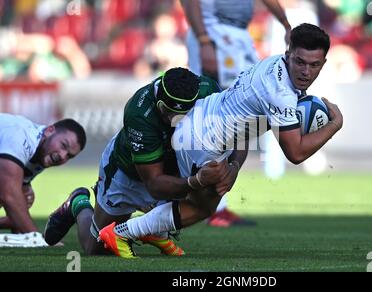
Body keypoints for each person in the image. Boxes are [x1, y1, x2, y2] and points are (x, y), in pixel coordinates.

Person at [98, 23, 344, 258]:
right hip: (203, 142)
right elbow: (296, 153)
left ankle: (155, 231)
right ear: (288, 54)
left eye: (314, 65)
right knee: (201, 207)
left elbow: (248, 122)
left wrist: (235, 166)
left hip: (203, 117)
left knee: (191, 200)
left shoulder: (272, 64)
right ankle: (123, 233)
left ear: (323, 63)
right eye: (300, 62)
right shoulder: (280, 93)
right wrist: (334, 126)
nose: (306, 71)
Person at [43, 67, 236, 257]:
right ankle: (79, 204)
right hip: (129, 173)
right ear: (157, 99)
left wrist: (233, 167)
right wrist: (196, 181)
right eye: (167, 112)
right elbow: (154, 184)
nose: (173, 121)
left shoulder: (208, 91)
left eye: (181, 116)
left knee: (208, 201)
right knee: (99, 248)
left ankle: (155, 228)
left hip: (175, 168)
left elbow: (241, 128)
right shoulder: (140, 112)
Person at [181, 0, 292, 227]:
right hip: (213, 34)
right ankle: (209, 204)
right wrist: (203, 40)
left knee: (242, 114)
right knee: (213, 115)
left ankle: (216, 201)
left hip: (239, 37)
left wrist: (285, 23)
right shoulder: (207, 36)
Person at [0, 114, 86, 238]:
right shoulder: (22, 137)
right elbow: (8, 194)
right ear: (49, 131)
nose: (62, 156)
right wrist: (36, 238)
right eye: (63, 145)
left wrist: (17, 221)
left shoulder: (43, 151)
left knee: (25, 196)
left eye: (69, 156)